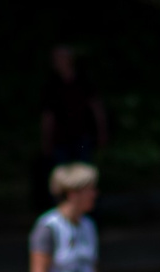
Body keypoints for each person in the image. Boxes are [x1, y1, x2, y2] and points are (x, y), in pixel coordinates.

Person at [37, 43, 107, 194]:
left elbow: (96, 108)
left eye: (60, 58)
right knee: (61, 177)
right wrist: (45, 140)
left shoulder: (84, 80)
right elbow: (48, 116)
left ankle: (86, 209)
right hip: (60, 139)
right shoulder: (51, 84)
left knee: (85, 175)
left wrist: (101, 131)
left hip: (82, 136)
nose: (57, 61)